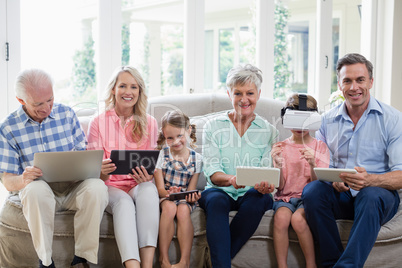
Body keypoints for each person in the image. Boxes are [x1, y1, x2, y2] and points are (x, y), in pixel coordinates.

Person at [0, 68, 108, 268]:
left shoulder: (66, 114)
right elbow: (8, 181)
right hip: (38, 191)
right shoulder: (8, 128)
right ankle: (46, 261)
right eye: (38, 104)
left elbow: (83, 156)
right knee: (34, 189)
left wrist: (90, 167)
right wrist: (24, 178)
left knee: (97, 187)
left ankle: (82, 259)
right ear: (21, 100)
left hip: (72, 187)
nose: (47, 108)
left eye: (50, 99)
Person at [302, 53, 402, 267]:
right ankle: (331, 263)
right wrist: (333, 180)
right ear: (340, 84)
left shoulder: (393, 119)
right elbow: (321, 166)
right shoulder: (326, 121)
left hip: (378, 198)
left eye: (360, 80)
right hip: (342, 196)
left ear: (371, 82)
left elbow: (401, 175)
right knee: (312, 192)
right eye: (347, 80)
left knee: (371, 195)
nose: (354, 86)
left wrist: (370, 180)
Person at [198, 64, 278, 267]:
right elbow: (212, 170)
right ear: (229, 94)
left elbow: (267, 170)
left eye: (250, 93)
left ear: (258, 94)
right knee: (216, 201)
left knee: (259, 201)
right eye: (238, 93)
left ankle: (215, 261)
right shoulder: (213, 126)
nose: (244, 99)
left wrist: (266, 185)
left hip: (252, 193)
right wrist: (231, 180)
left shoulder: (268, 131)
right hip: (219, 189)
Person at [87, 66, 159, 268]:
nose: (128, 92)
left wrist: (148, 177)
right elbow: (92, 170)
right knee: (124, 204)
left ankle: (147, 265)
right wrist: (99, 170)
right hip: (110, 186)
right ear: (113, 90)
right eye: (123, 86)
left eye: (134, 87)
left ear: (140, 92)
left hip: (136, 183)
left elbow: (152, 161)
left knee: (148, 191)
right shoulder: (98, 122)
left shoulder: (150, 123)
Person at [271, 93, 330, 268]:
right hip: (285, 197)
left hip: (308, 199)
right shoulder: (279, 147)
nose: (300, 127)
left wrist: (313, 163)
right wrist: (278, 165)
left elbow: (319, 185)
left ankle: (311, 264)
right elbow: (279, 186)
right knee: (281, 218)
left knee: (298, 220)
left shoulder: (320, 147)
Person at [153, 110, 202, 268]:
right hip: (166, 196)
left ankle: (184, 261)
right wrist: (169, 193)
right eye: (170, 138)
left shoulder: (197, 159)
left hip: (184, 199)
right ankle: (164, 259)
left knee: (183, 210)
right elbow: (160, 189)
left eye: (180, 135)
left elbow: (191, 189)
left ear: (188, 131)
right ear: (164, 137)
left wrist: (192, 196)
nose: (175, 142)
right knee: (169, 207)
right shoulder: (161, 156)